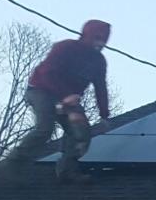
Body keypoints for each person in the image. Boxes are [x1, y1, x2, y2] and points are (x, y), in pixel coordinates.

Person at [7, 19, 112, 181]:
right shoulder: (65, 48)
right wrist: (66, 95)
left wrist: (104, 114)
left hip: (68, 98)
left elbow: (100, 87)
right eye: (97, 38)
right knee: (45, 128)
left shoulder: (98, 61)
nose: (100, 43)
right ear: (87, 35)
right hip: (41, 89)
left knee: (80, 132)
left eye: (103, 40)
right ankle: (14, 162)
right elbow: (47, 74)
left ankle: (67, 170)